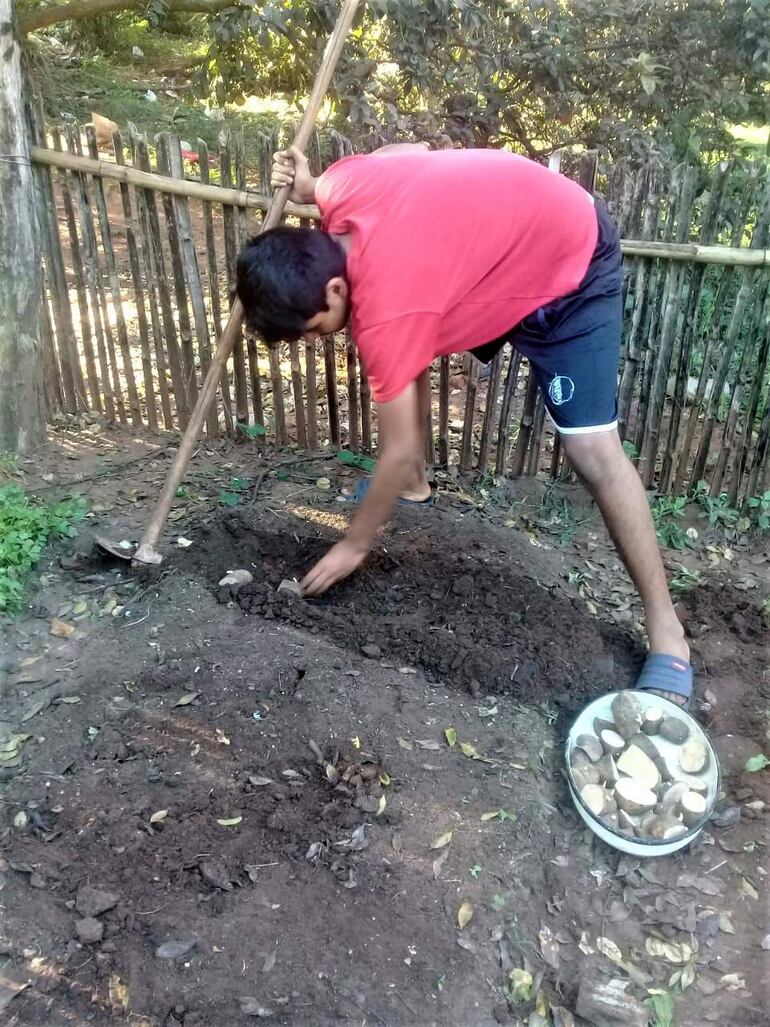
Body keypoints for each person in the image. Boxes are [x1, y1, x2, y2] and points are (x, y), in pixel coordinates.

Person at [236, 143, 693, 707]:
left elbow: (396, 445)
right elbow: (412, 151)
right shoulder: (339, 186)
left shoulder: (389, 305)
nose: (315, 339)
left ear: (334, 289)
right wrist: (307, 187)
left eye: (312, 329)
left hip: (571, 262)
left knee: (591, 451)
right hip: (509, 252)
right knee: (403, 344)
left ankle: (667, 631)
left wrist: (354, 544)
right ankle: (413, 487)